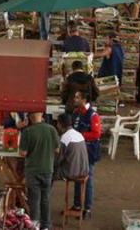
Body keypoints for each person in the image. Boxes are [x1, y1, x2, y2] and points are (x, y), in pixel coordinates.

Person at [19, 112, 58, 230]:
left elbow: (23, 153)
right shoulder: (52, 129)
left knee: (34, 200)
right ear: (42, 115)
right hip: (47, 169)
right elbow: (57, 149)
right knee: (45, 198)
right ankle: (45, 226)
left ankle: (35, 226)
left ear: (30, 117)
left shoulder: (27, 132)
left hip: (33, 170)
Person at [70, 90, 103, 218]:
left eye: (77, 97)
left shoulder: (92, 115)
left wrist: (80, 135)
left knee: (87, 179)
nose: (74, 99)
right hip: (78, 151)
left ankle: (87, 209)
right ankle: (77, 205)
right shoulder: (76, 113)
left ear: (84, 100)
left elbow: (96, 134)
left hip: (89, 152)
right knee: (77, 177)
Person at [55, 113, 90, 182]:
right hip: (84, 170)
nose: (56, 125)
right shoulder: (79, 134)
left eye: (57, 123)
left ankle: (46, 193)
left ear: (60, 124)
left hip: (71, 173)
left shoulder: (65, 138)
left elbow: (58, 160)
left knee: (47, 173)